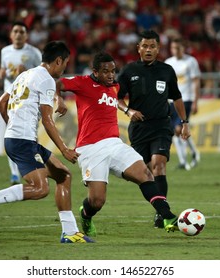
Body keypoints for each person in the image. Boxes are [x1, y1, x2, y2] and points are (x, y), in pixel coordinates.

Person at [0, 41, 93, 243]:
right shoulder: (46, 80)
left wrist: (13, 126)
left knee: (63, 176)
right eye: (65, 64)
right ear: (58, 60)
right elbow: (47, 119)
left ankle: (70, 232)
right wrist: (64, 148)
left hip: (20, 138)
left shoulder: (25, 74)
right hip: (22, 141)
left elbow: (1, 103)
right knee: (40, 188)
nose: (64, 69)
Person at [55, 52, 179, 238]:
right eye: (106, 72)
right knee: (97, 201)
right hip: (90, 148)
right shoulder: (83, 82)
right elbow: (57, 83)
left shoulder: (115, 87)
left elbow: (125, 98)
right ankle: (86, 215)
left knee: (145, 173)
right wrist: (59, 98)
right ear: (95, 72)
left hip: (114, 143)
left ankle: (167, 215)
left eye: (113, 71)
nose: (111, 75)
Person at [117, 30, 191, 228]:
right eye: (145, 46)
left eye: (152, 46)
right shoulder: (128, 71)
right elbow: (117, 98)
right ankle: (161, 209)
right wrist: (128, 110)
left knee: (159, 164)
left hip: (161, 125)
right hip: (139, 128)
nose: (148, 50)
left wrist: (184, 122)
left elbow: (176, 97)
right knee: (146, 173)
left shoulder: (167, 71)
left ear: (158, 49)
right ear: (138, 48)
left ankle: (163, 215)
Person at [0, 21, 42, 185]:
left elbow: (42, 73)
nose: (18, 34)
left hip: (28, 100)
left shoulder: (34, 52)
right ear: (11, 35)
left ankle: (32, 168)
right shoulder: (5, 51)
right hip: (10, 99)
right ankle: (14, 173)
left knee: (30, 135)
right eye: (15, 31)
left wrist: (28, 73)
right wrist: (1, 73)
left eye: (21, 32)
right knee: (11, 134)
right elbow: (3, 71)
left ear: (26, 35)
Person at [165, 37, 201, 170]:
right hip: (171, 100)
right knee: (175, 131)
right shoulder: (168, 62)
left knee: (180, 129)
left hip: (186, 99)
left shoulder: (191, 61)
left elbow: (196, 82)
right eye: (173, 48)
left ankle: (188, 157)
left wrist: (196, 101)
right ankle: (189, 157)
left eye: (178, 48)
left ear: (183, 48)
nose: (175, 50)